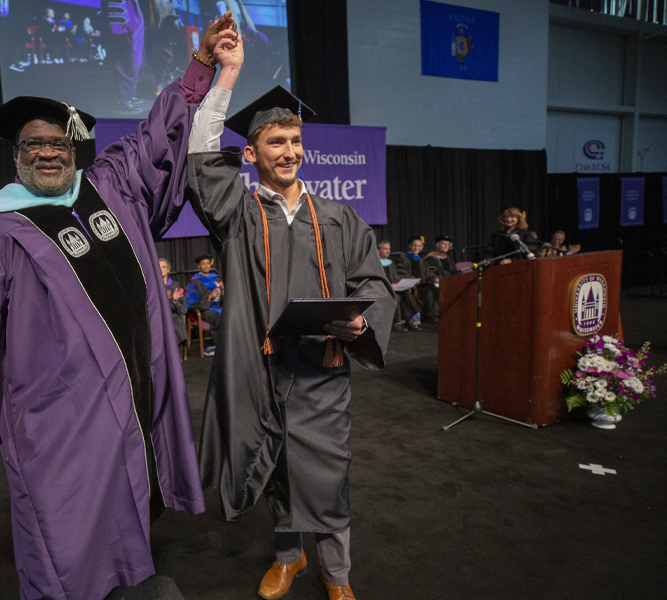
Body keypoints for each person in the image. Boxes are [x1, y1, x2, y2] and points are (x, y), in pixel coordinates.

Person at [0, 15, 240, 600]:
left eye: (58, 143)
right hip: (58, 417)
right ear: (17, 156)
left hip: (134, 394)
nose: (48, 153)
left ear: (74, 150)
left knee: (132, 510)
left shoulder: (110, 187)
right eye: (34, 145)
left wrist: (202, 66)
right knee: (63, 536)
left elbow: (158, 138)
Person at [186, 35, 396, 600]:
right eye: (275, 141)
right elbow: (203, 163)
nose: (289, 150)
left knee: (326, 477)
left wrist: (362, 322)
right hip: (258, 370)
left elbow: (372, 282)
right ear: (251, 154)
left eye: (295, 140)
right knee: (274, 467)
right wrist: (225, 75)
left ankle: (338, 577)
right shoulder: (238, 213)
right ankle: (289, 557)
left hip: (321, 373)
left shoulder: (338, 217)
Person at [377, 240, 419, 332]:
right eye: (385, 249)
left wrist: (408, 282)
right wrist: (389, 285)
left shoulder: (390, 263)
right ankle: (395, 322)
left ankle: (410, 319)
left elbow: (396, 277)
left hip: (395, 288)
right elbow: (376, 279)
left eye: (389, 249)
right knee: (396, 297)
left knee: (407, 294)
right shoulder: (375, 263)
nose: (388, 251)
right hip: (382, 289)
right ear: (378, 250)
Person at [184, 254, 222, 346]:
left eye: (208, 263)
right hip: (205, 310)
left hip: (220, 306)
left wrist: (224, 289)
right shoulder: (194, 281)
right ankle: (222, 346)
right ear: (199, 266)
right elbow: (191, 303)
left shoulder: (216, 278)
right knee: (222, 317)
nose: (206, 266)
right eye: (203, 264)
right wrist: (209, 296)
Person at [419, 234, 458, 322]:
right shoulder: (431, 257)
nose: (446, 246)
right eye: (444, 244)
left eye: (448, 244)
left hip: (449, 281)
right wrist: (438, 279)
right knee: (434, 289)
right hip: (437, 282)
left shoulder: (448, 258)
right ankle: (435, 315)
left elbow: (454, 271)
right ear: (437, 245)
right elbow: (429, 273)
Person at [392, 235, 428, 329]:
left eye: (419, 246)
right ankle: (412, 318)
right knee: (408, 295)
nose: (416, 248)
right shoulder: (402, 258)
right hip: (408, 285)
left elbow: (426, 275)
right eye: (414, 245)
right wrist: (413, 281)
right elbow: (401, 273)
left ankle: (416, 317)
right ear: (410, 246)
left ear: (422, 247)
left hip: (420, 285)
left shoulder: (421, 260)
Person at [160, 257, 188, 350]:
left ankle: (176, 356)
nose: (161, 269)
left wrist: (175, 301)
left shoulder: (175, 286)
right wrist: (162, 300)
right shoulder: (152, 286)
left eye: (163, 267)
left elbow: (183, 310)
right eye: (158, 267)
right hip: (158, 317)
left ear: (168, 269)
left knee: (174, 323)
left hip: (174, 317)